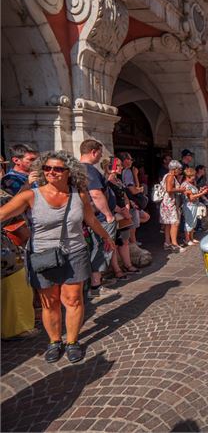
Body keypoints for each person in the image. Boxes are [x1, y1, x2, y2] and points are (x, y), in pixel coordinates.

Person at [0, 151, 115, 363]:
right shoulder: (31, 195)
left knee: (73, 299)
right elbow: (3, 213)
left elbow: (90, 219)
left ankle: (72, 341)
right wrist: (26, 186)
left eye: (58, 168)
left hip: (75, 252)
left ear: (69, 171)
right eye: (47, 168)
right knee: (50, 303)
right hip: (43, 254)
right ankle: (54, 341)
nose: (52, 172)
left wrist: (106, 236)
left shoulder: (78, 194)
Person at [79, 140, 119, 300]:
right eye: (100, 153)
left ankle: (95, 281)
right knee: (103, 247)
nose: (101, 156)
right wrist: (108, 214)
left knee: (98, 247)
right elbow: (95, 194)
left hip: (90, 217)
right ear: (93, 152)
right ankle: (95, 286)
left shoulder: (78, 169)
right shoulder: (88, 170)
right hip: (99, 218)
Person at [102, 157, 141, 280]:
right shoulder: (106, 182)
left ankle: (128, 265)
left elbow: (124, 195)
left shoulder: (118, 180)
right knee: (113, 243)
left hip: (124, 214)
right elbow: (105, 201)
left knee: (124, 240)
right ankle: (117, 270)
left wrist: (127, 207)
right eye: (118, 165)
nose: (121, 167)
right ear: (110, 167)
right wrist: (121, 210)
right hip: (113, 215)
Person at [160, 160, 187, 253]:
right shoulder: (170, 176)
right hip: (170, 203)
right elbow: (169, 189)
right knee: (175, 223)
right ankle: (174, 244)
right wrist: (180, 189)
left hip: (166, 202)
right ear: (174, 169)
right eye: (179, 169)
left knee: (168, 224)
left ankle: (167, 243)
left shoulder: (167, 176)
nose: (180, 171)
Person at [181, 167, 208, 245]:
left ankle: (191, 238)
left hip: (194, 205)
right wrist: (202, 193)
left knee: (193, 222)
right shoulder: (185, 185)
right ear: (188, 176)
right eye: (193, 176)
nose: (194, 178)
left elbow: (194, 194)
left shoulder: (191, 184)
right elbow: (191, 198)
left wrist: (200, 191)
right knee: (189, 222)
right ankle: (187, 239)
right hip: (189, 206)